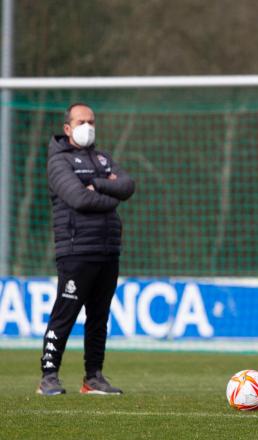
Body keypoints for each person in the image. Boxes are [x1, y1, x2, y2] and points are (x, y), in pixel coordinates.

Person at [37, 103, 135, 396]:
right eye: (81, 121)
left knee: (99, 317)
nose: (87, 126)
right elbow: (79, 200)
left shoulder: (103, 159)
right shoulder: (58, 162)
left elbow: (128, 185)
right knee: (64, 314)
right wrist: (110, 193)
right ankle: (48, 376)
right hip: (76, 249)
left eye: (91, 120)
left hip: (108, 249)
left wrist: (95, 184)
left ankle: (93, 377)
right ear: (67, 128)